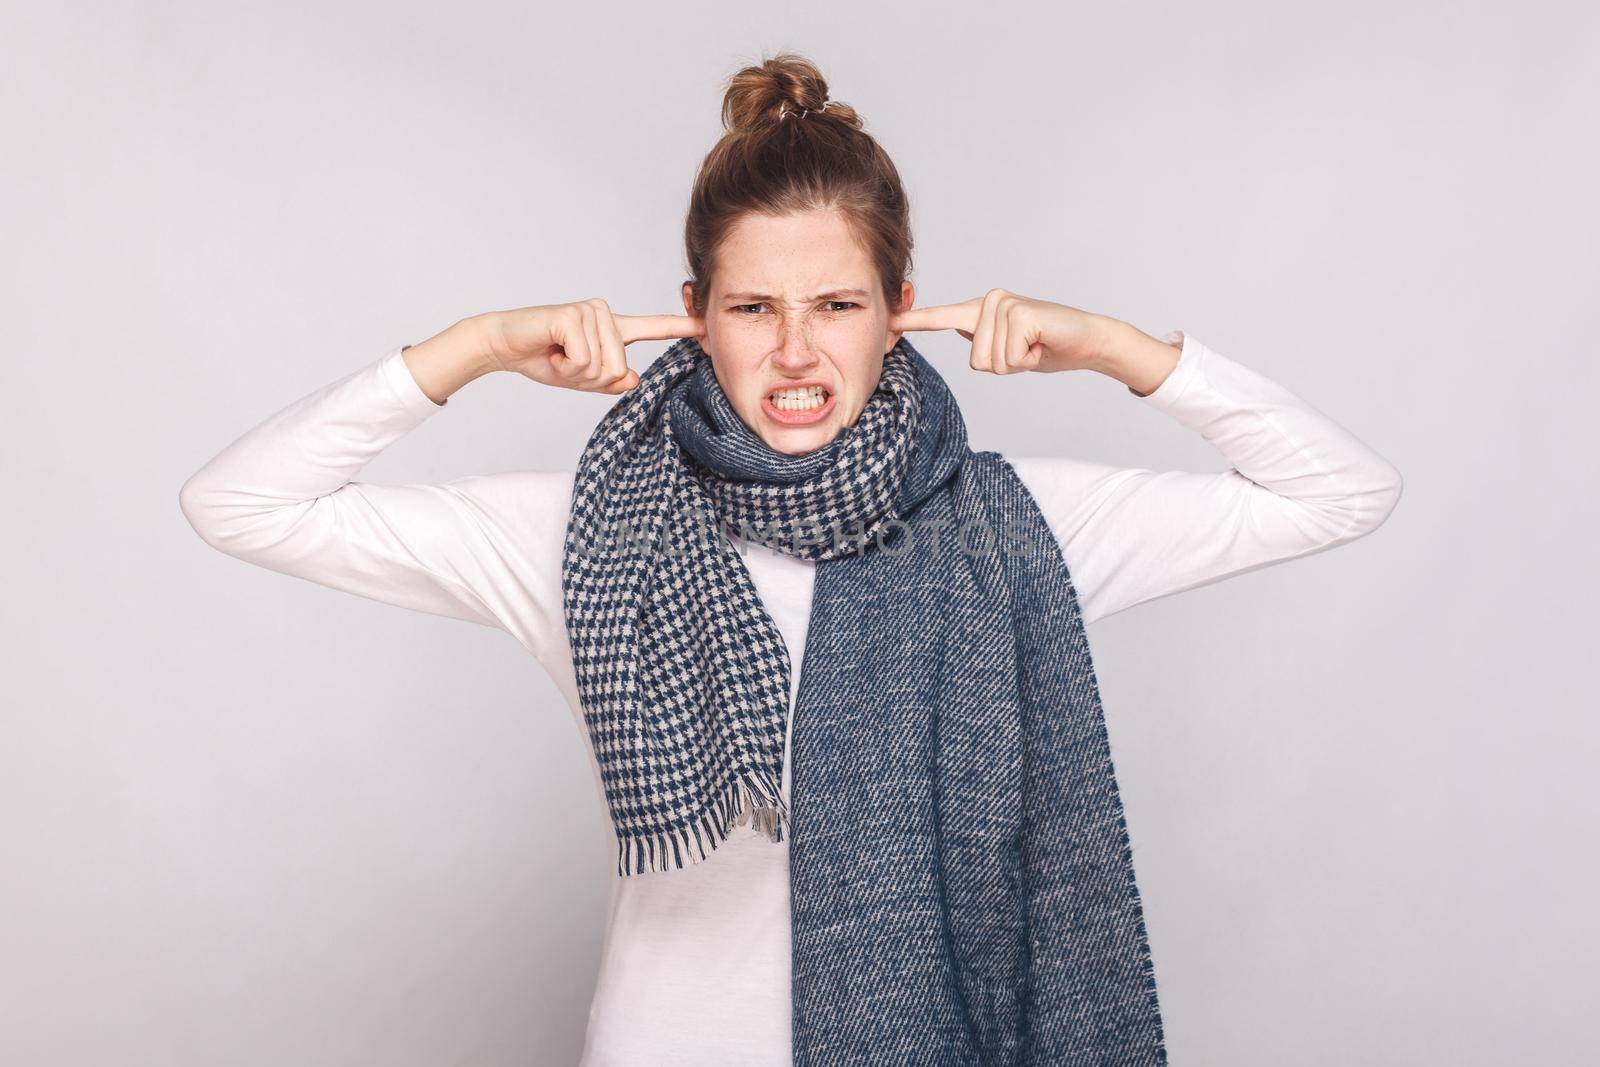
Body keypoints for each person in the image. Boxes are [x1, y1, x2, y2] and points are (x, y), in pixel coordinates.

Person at [180, 51, 1402, 1067]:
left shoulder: (1011, 529)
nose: (797, 351)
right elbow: (241, 502)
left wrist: (1113, 347)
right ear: (694, 313)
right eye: (754, 308)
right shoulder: (593, 531)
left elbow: (1340, 489)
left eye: (839, 304)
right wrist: (479, 344)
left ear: (903, 305)